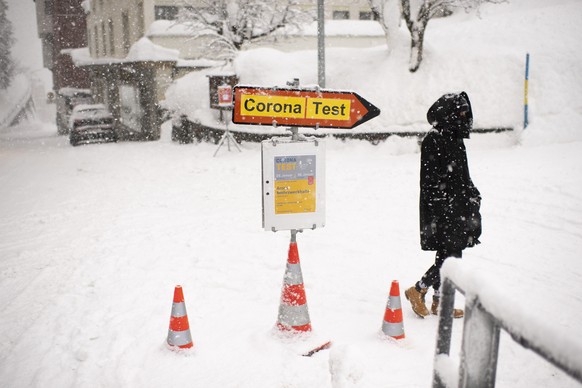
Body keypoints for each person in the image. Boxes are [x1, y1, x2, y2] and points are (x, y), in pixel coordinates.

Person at [405, 91, 482, 319]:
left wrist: (472, 195)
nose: (464, 117)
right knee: (451, 257)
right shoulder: (434, 139)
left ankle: (439, 302)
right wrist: (442, 210)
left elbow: (462, 175)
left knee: (449, 254)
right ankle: (418, 289)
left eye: (465, 113)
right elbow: (430, 182)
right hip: (444, 209)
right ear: (448, 113)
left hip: (459, 206)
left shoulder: (454, 137)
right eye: (459, 112)